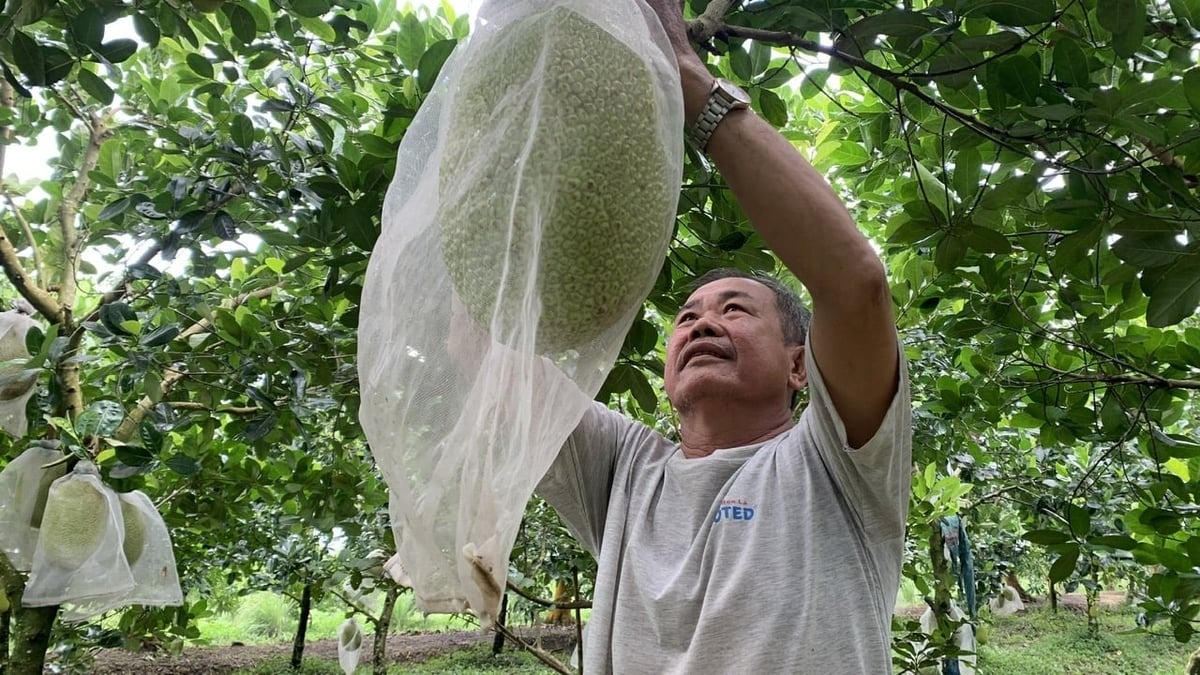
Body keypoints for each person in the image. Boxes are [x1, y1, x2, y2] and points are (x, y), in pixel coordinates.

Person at [534, 1, 913, 672]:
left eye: (736, 310)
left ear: (800, 366)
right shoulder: (622, 470)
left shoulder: (840, 464)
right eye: (685, 318)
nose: (702, 322)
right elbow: (480, 358)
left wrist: (689, 79)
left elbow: (855, 284)